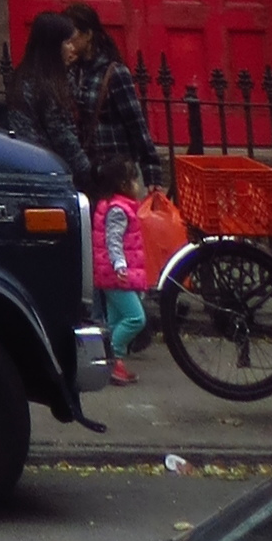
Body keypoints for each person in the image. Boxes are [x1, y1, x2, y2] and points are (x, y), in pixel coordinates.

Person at [65, 2, 162, 188]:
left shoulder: (114, 73)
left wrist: (152, 173)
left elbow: (136, 125)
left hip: (116, 171)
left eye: (72, 34)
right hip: (87, 169)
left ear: (88, 35)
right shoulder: (73, 71)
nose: (68, 42)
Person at [2, 11, 89, 179]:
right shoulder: (45, 86)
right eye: (68, 42)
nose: (72, 48)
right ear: (54, 46)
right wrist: (87, 171)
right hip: (48, 170)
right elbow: (61, 134)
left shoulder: (26, 76)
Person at [94, 159, 153, 382]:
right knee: (135, 318)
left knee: (115, 321)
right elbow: (113, 240)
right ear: (123, 184)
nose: (138, 184)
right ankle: (114, 356)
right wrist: (120, 265)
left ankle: (109, 363)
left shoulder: (118, 206)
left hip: (112, 275)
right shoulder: (118, 209)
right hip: (117, 275)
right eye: (134, 180)